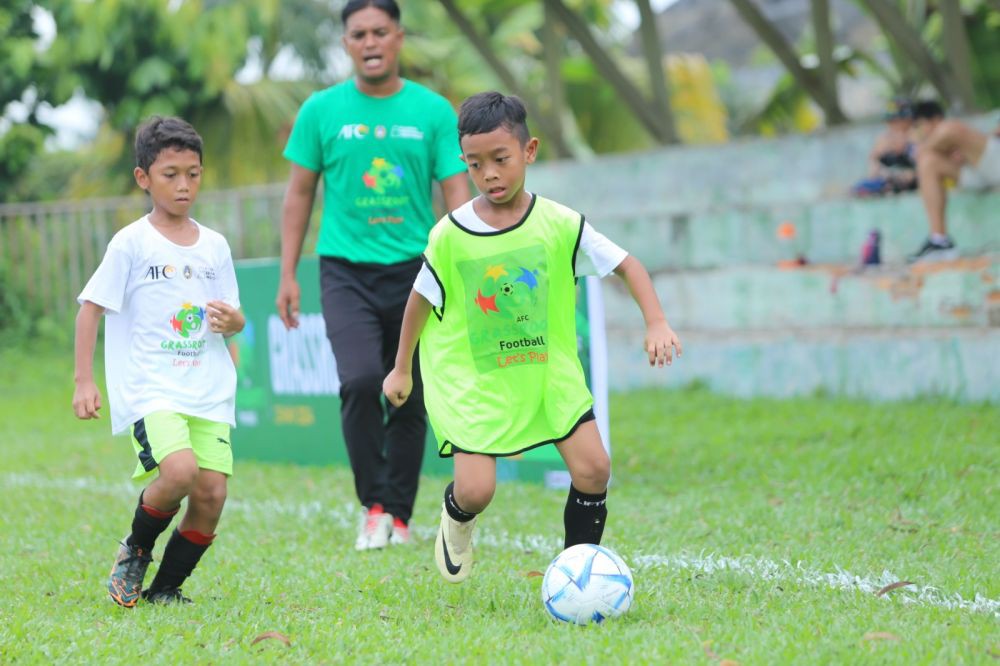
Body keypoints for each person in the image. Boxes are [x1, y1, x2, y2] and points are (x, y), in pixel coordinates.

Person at [382, 92, 682, 583]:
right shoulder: (450, 234)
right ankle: (457, 519)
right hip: (476, 380)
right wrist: (401, 367)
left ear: (530, 151)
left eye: (500, 159)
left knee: (593, 470)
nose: (490, 175)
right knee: (477, 491)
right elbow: (419, 299)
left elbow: (627, 266)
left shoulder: (561, 224)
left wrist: (656, 321)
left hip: (545, 374)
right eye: (476, 165)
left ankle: (576, 574)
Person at [276, 0, 471, 551]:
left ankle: (401, 517)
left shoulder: (432, 112)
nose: (370, 42)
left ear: (399, 38)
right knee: (361, 381)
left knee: (408, 391)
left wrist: (456, 266)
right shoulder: (320, 111)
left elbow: (457, 194)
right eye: (358, 33)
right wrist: (288, 273)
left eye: (380, 32)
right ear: (346, 43)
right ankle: (375, 507)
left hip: (418, 270)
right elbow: (298, 195)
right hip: (344, 272)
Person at [73, 116, 245, 606]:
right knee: (179, 473)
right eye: (170, 174)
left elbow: (232, 317)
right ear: (143, 178)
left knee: (211, 495)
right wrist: (84, 381)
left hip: (208, 389)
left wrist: (234, 324)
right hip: (152, 388)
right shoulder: (131, 242)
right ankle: (136, 549)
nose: (184, 185)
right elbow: (90, 311)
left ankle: (165, 590)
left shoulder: (215, 246)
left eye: (193, 173)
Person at [908, 99, 1000, 262]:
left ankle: (919, 154)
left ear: (935, 119)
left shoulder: (946, 128)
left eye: (920, 125)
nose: (920, 131)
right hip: (981, 170)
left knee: (951, 130)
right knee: (928, 162)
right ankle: (939, 241)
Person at [851, 98, 917, 197]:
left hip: (911, 178)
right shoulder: (883, 139)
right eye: (890, 121)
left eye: (896, 121)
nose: (892, 125)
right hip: (888, 178)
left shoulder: (916, 136)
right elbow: (873, 166)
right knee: (860, 188)